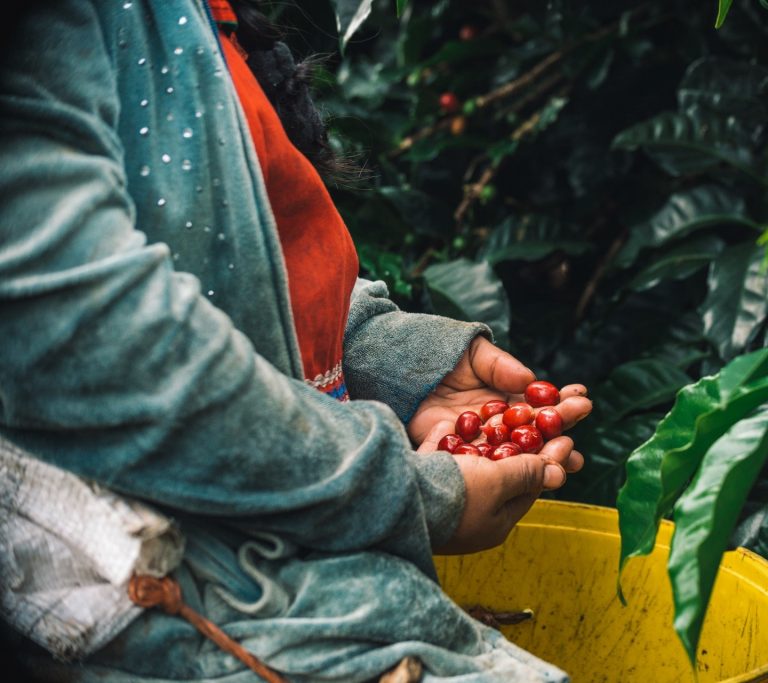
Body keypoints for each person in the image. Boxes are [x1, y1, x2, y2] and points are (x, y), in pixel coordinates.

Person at [0, 0, 591, 680]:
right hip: (164, 588)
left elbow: (233, 257)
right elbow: (80, 333)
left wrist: (385, 355)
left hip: (278, 570)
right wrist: (403, 491)